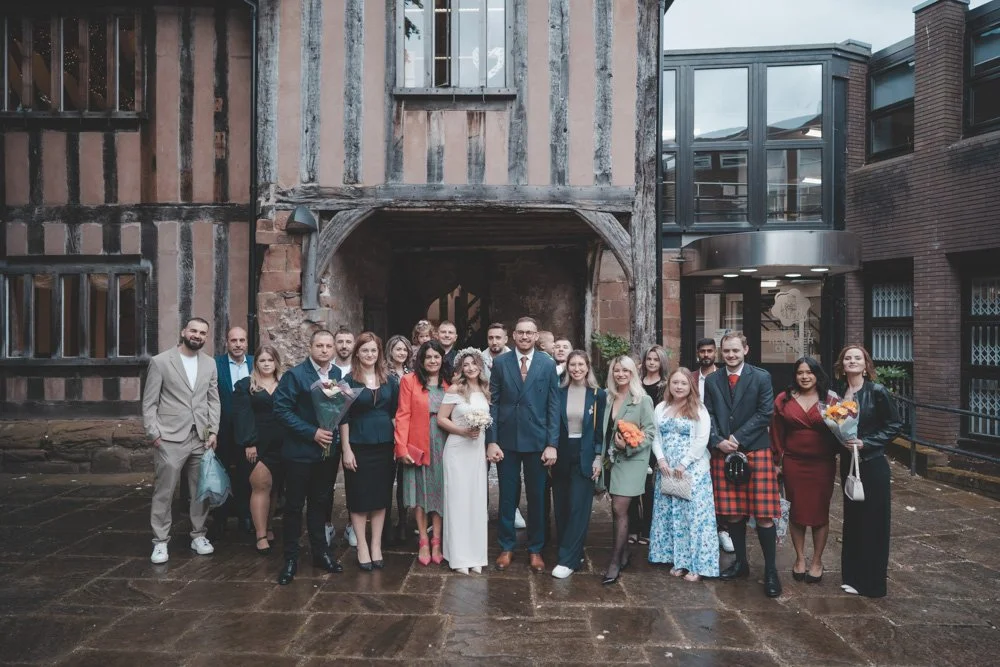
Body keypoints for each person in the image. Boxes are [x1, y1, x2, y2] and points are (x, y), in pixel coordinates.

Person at [703, 331, 781, 598]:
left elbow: (765, 413)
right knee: (733, 512)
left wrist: (736, 438)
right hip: (723, 452)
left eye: (736, 350)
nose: (731, 355)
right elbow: (708, 413)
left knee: (763, 515)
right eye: (726, 351)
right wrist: (718, 440)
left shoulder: (761, 377)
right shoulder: (712, 380)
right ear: (721, 352)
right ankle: (741, 564)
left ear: (746, 350)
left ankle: (771, 570)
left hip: (755, 451)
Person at [142, 317, 220, 564]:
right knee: (165, 491)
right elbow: (149, 402)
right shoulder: (161, 361)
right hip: (169, 438)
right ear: (184, 331)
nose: (197, 335)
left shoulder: (209, 363)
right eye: (194, 330)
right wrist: (154, 434)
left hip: (201, 436)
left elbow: (213, 399)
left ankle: (198, 535)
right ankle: (160, 541)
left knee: (200, 491)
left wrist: (213, 431)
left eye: (202, 333)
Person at [487, 316, 561, 573]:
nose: (525, 337)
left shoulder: (546, 364)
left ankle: (535, 549)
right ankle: (507, 547)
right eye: (521, 333)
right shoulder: (500, 363)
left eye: (530, 333)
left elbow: (553, 405)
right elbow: (493, 404)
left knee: (538, 497)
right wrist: (492, 440)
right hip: (507, 439)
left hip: (537, 440)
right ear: (514, 336)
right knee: (507, 496)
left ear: (536, 335)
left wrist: (552, 443)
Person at [273, 329, 344, 585]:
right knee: (293, 507)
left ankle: (320, 553)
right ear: (310, 348)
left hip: (325, 454)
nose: (325, 350)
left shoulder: (335, 374)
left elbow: (333, 408)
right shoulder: (295, 375)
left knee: (319, 503)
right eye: (320, 345)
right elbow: (281, 410)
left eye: (328, 346)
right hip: (300, 453)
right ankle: (290, 558)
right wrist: (311, 432)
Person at [834, 345, 900, 598]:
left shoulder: (877, 391)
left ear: (866, 364)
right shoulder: (841, 393)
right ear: (842, 364)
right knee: (854, 521)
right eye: (847, 358)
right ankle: (852, 577)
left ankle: (872, 584)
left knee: (874, 523)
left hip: (872, 464)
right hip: (849, 464)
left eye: (857, 358)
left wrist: (867, 442)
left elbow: (894, 425)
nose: (852, 361)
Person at [770, 357, 839, 584]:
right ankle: (800, 558)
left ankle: (817, 561)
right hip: (793, 463)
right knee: (797, 512)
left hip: (822, 464)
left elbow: (842, 431)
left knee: (820, 513)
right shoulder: (784, 398)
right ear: (795, 375)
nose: (805, 376)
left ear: (817, 374)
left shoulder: (830, 399)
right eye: (800, 372)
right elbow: (777, 432)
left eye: (809, 372)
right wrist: (776, 461)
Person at [648, 368, 718, 581]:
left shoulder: (699, 409)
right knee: (673, 517)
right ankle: (679, 561)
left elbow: (701, 439)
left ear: (691, 387)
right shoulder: (661, 407)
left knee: (694, 518)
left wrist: (684, 463)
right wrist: (660, 460)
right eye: (675, 382)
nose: (678, 387)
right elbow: (655, 436)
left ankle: (697, 565)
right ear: (669, 385)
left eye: (683, 383)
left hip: (692, 471)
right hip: (667, 470)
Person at [340, 332, 400, 571]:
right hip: (359, 444)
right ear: (357, 353)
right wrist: (346, 449)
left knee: (380, 497)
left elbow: (396, 414)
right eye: (365, 350)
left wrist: (399, 445)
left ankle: (376, 545)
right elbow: (342, 417)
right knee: (359, 497)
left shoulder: (390, 380)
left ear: (379, 353)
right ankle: (362, 546)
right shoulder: (348, 381)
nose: (369, 354)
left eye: (374, 350)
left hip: (385, 445)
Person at [600, 355, 656, 584]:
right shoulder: (607, 397)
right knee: (618, 510)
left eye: (625, 370)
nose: (620, 374)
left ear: (633, 373)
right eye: (616, 370)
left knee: (619, 508)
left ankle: (614, 562)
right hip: (612, 462)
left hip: (633, 461)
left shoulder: (642, 399)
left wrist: (631, 446)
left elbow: (650, 433)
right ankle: (624, 553)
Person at [551, 350, 606, 579]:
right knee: (562, 507)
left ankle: (567, 560)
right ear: (567, 367)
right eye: (572, 365)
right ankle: (574, 551)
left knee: (578, 507)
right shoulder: (559, 392)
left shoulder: (597, 394)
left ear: (588, 367)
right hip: (561, 454)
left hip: (585, 455)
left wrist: (597, 457)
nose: (576, 369)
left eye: (580, 364)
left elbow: (600, 431)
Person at [395, 340, 449, 566]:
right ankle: (423, 540)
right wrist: (401, 447)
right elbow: (402, 414)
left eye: (437, 357)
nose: (433, 361)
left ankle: (437, 539)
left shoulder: (451, 382)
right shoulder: (409, 381)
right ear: (422, 360)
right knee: (420, 492)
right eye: (429, 357)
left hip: (445, 441)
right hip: (418, 441)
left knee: (440, 491)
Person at [438, 348, 491, 574]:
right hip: (458, 449)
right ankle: (458, 556)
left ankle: (476, 555)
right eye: (466, 365)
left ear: (480, 366)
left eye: (474, 364)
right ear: (460, 369)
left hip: (476, 451)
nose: (470, 368)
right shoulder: (455, 389)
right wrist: (461, 431)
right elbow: (441, 418)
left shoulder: (485, 390)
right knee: (458, 501)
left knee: (476, 501)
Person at [233, 346, 284, 555]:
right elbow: (242, 415)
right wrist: (249, 442)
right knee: (261, 485)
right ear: (256, 364)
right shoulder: (246, 385)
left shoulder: (284, 384)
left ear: (276, 363)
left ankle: (269, 525)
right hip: (258, 442)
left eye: (270, 360)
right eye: (262, 360)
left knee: (275, 488)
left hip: (282, 442)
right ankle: (260, 534)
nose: (266, 364)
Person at [691, 337, 733, 555]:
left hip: (719, 437)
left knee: (720, 487)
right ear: (698, 353)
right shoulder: (691, 378)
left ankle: (723, 530)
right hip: (694, 437)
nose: (706, 354)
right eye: (702, 351)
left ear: (715, 353)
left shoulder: (724, 377)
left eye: (709, 351)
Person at [212, 326, 253, 538]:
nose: (238, 344)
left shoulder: (255, 363)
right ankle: (220, 517)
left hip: (247, 433)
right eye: (233, 340)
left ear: (247, 343)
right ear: (227, 342)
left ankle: (246, 516)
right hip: (223, 431)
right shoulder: (215, 365)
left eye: (242, 340)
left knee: (247, 475)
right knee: (221, 474)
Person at [631, 345, 670, 546]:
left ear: (661, 362)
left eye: (655, 359)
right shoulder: (636, 383)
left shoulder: (665, 386)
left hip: (653, 438)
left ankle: (647, 528)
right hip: (634, 437)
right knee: (631, 485)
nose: (652, 363)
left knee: (649, 487)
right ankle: (633, 527)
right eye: (649, 359)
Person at [328, 327, 355, 547]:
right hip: (330, 431)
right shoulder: (329, 370)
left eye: (348, 341)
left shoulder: (358, 370)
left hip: (355, 432)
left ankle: (351, 525)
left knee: (354, 480)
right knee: (326, 480)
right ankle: (326, 524)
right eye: (340, 341)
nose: (344, 345)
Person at [385, 333, 413, 544]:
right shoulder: (383, 374)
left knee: (404, 480)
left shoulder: (412, 373)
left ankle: (403, 523)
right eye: (398, 349)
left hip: (407, 431)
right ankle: (385, 524)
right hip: (387, 428)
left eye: (405, 349)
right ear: (390, 352)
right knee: (386, 479)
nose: (401, 353)